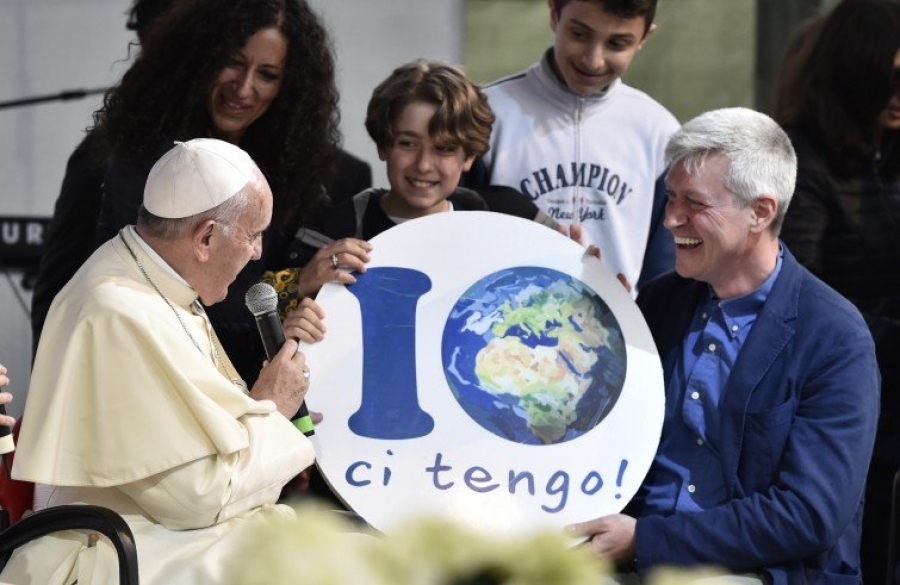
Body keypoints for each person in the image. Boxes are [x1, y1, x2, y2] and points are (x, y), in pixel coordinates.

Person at [567, 108, 880, 583]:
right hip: (627, 556)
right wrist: (587, 321)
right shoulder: (660, 302)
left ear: (761, 212)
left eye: (694, 203)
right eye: (671, 197)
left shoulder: (835, 338)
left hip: (760, 572)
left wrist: (646, 539)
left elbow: (808, 513)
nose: (671, 219)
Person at [3, 139, 315, 585]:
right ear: (206, 238)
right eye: (253, 234)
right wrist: (274, 412)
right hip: (115, 547)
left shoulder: (155, 280)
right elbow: (198, 499)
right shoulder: (116, 311)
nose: (258, 252)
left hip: (157, 533)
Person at [30, 0, 365, 388]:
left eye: (268, 74)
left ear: (289, 85)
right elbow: (171, 294)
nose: (244, 88)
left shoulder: (297, 169)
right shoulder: (125, 155)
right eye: (233, 62)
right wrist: (294, 284)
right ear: (200, 56)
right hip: (134, 382)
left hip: (243, 396)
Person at [773, 1, 900, 581]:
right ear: (855, 70)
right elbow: (802, 300)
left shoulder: (886, 149)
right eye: (888, 78)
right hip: (842, 398)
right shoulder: (806, 162)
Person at [277, 58, 544, 308]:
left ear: (469, 157)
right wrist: (299, 285)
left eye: (444, 148)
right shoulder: (332, 231)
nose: (424, 164)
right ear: (383, 145)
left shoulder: (503, 223)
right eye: (408, 143)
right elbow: (261, 309)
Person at [467, 0, 678, 291]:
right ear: (554, 13)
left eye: (617, 44)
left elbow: (664, 270)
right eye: (579, 34)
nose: (594, 60)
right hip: (498, 314)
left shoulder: (658, 132)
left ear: (644, 37)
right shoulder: (487, 115)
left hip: (618, 318)